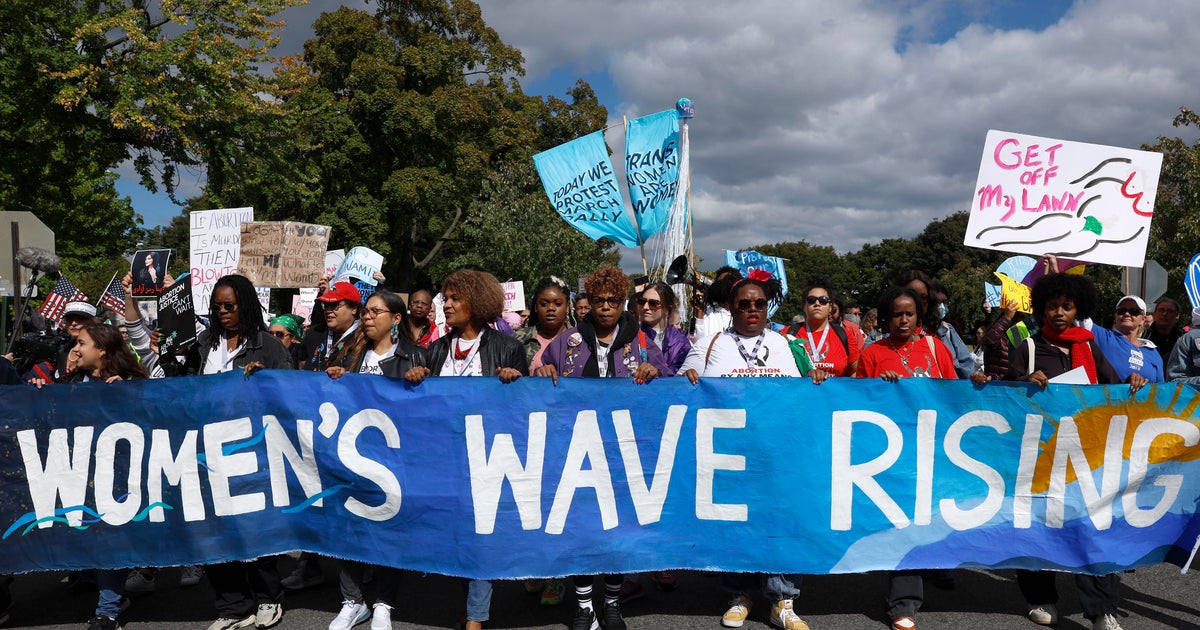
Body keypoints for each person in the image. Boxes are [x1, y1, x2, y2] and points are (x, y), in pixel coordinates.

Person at [1003, 271, 1144, 630]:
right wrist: (1024, 382)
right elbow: (1004, 399)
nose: (1059, 313)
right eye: (1052, 306)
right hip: (1041, 455)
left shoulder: (1090, 346)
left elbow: (1111, 388)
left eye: (1067, 306)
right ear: (1041, 310)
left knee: (1096, 527)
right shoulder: (1029, 348)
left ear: (1077, 309)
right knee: (1039, 525)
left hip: (1090, 455)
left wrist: (1133, 381)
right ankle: (1040, 597)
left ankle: (1101, 610)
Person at [536, 266, 666, 630]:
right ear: (588, 304)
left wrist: (655, 372)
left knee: (615, 532)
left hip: (625, 453)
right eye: (598, 301)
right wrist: (543, 373)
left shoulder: (642, 343)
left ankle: (610, 603)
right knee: (580, 529)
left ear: (623, 302)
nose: (605, 307)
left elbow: (667, 387)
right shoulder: (568, 343)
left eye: (612, 300)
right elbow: (540, 383)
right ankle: (583, 606)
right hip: (577, 452)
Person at [677, 271, 807, 630]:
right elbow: (683, 381)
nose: (752, 309)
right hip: (729, 453)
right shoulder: (711, 341)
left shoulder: (783, 344)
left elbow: (800, 394)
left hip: (775, 452)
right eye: (744, 304)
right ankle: (740, 595)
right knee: (735, 525)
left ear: (768, 308)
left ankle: (783, 600)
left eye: (759, 304)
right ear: (731, 308)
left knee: (779, 522)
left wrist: (817, 383)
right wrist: (686, 378)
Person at [403, 269, 528, 630]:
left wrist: (514, 382)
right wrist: (416, 379)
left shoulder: (508, 348)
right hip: (446, 460)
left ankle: (475, 617)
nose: (447, 304)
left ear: (476, 304)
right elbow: (419, 407)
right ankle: (472, 605)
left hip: (488, 459)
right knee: (457, 537)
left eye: (455, 298)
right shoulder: (436, 350)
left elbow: (522, 412)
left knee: (479, 538)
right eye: (446, 298)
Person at [186, 274, 291, 630]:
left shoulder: (268, 347)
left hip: (254, 451)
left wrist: (266, 382)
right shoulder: (203, 344)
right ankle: (232, 605)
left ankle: (266, 598)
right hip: (208, 450)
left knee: (255, 528)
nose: (222, 312)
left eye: (229, 305)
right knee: (215, 530)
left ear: (244, 304)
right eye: (216, 306)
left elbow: (290, 398)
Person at [30, 320, 148, 630]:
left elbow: (154, 419)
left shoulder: (128, 383)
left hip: (116, 481)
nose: (75, 348)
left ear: (102, 350)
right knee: (87, 534)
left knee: (109, 538)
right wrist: (39, 396)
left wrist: (130, 396)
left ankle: (108, 610)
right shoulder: (74, 384)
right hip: (78, 477)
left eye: (82, 343)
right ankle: (104, 585)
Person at [856, 286, 958, 630]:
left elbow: (953, 395)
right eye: (897, 314)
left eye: (909, 314)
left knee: (929, 519)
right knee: (904, 524)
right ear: (886, 318)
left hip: (933, 451)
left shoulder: (936, 348)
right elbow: (858, 402)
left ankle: (936, 568)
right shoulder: (872, 353)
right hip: (893, 456)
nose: (903, 320)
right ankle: (904, 604)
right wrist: (880, 389)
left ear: (919, 316)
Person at [324, 290, 421, 630]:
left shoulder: (415, 357)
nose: (366, 317)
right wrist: (333, 379)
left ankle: (383, 603)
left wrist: (419, 383)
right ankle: (352, 601)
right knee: (348, 529)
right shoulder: (349, 353)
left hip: (393, 461)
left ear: (395, 319)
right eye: (365, 311)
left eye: (375, 312)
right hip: (350, 457)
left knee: (388, 531)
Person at [898, 270, 975, 378]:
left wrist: (976, 379)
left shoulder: (944, 331)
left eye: (923, 297)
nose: (917, 302)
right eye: (911, 296)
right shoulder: (879, 338)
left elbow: (967, 370)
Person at [781, 277, 860, 383]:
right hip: (799, 397)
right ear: (804, 306)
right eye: (811, 300)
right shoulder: (786, 334)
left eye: (823, 300)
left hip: (833, 397)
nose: (817, 303)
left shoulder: (844, 334)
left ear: (830, 308)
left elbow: (856, 371)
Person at [636, 281, 691, 375]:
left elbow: (678, 378)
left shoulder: (681, 342)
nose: (645, 307)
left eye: (653, 303)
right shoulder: (631, 336)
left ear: (667, 308)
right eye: (642, 301)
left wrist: (659, 373)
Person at [689, 266, 741, 343]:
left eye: (729, 281)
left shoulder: (742, 314)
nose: (724, 285)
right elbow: (694, 343)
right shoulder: (707, 315)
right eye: (720, 282)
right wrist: (699, 313)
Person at [1143, 297, 1182, 363]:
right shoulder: (1144, 335)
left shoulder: (1182, 338)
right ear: (1154, 314)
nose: (1164, 314)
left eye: (1170, 311)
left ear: (1177, 316)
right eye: (1161, 310)